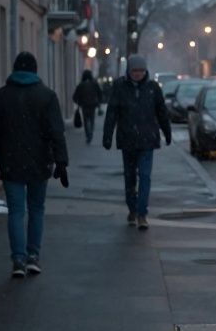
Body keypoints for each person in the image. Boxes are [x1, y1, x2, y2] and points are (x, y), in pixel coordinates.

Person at [0, 52, 69, 278]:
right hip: (40, 161)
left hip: (11, 162)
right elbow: (56, 132)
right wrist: (60, 161)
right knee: (37, 209)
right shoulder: (47, 96)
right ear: (35, 70)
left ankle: (18, 260)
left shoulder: (1, 96)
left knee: (16, 211)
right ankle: (33, 256)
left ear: (14, 70)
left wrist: (3, 150)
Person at [102, 55, 171, 229]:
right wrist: (107, 135)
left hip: (147, 140)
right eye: (135, 70)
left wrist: (167, 132)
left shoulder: (153, 88)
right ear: (129, 71)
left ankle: (142, 213)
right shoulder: (120, 87)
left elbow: (161, 112)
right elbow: (112, 112)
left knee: (145, 177)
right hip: (128, 139)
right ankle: (132, 209)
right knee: (130, 177)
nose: (138, 74)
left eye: (141, 70)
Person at [71, 69, 103, 144]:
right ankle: (91, 132)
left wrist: (78, 103)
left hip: (84, 105)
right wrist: (99, 102)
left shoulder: (81, 85)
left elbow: (75, 96)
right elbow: (100, 93)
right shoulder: (94, 84)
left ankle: (88, 135)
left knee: (85, 120)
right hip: (93, 105)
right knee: (92, 120)